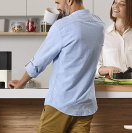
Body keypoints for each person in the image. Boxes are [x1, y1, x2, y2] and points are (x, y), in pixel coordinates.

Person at [8, 0, 105, 132]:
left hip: (61, 104)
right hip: (85, 106)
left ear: (69, 1)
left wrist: (20, 83)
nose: (57, 8)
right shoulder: (99, 25)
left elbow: (38, 62)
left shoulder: (62, 26)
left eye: (58, 2)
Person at [97, 0, 132, 77]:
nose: (115, 6)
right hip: (112, 87)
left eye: (122, 4)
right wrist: (108, 69)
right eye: (115, 2)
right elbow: (94, 67)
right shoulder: (103, 36)